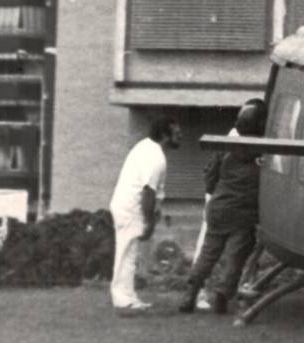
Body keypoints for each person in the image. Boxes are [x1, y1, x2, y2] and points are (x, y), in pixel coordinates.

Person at [179, 102, 264, 315]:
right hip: (244, 212)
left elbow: (209, 179)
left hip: (218, 207)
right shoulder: (266, 151)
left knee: (208, 253)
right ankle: (221, 297)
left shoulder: (225, 147)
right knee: (235, 257)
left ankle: (190, 294)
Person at [108, 112, 181, 315]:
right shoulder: (155, 157)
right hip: (131, 207)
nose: (180, 135)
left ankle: (127, 297)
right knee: (128, 253)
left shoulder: (147, 147)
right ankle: (124, 300)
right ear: (165, 134)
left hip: (128, 205)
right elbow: (148, 191)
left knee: (129, 253)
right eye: (176, 132)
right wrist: (149, 222)